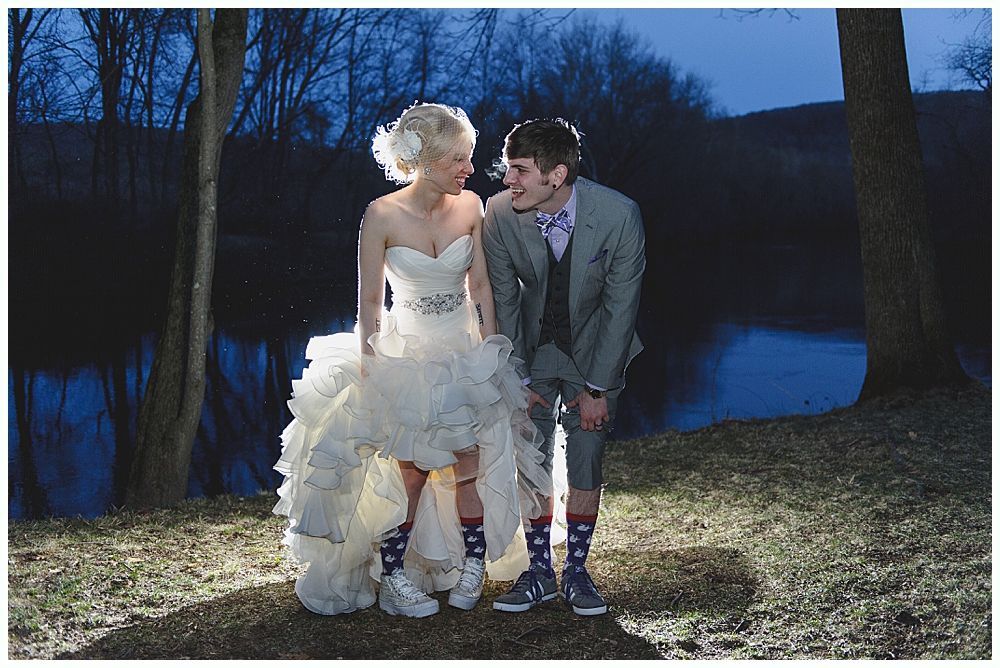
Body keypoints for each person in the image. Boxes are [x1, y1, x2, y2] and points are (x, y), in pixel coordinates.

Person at [273, 102, 550, 618]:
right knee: (412, 471)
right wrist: (370, 364)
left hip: (464, 350)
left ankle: (471, 564)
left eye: (469, 158)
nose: (470, 168)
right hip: (405, 354)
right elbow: (370, 303)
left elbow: (483, 287)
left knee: (470, 461)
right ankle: (397, 576)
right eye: (459, 160)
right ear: (425, 161)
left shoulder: (470, 207)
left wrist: (493, 353)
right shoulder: (381, 214)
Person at [482, 118, 645, 616]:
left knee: (586, 453)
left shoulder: (618, 215)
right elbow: (505, 302)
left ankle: (576, 570)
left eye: (519, 171)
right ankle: (539, 573)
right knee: (531, 454)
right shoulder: (500, 215)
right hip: (532, 347)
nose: (508, 181)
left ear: (556, 175)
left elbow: (622, 307)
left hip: (597, 349)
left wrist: (599, 387)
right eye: (508, 169)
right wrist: (518, 378)